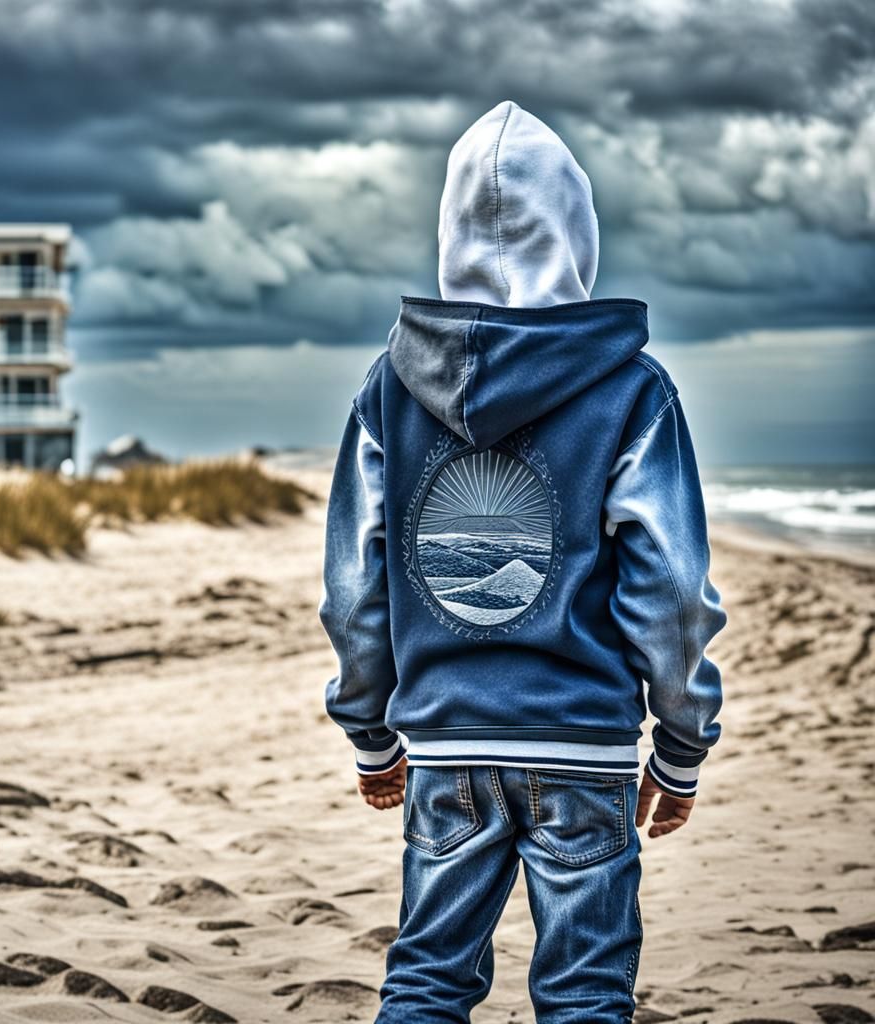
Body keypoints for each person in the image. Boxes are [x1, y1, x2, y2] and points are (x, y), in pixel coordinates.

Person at [318, 98, 727, 1024]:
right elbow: (669, 590)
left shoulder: (389, 386)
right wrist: (682, 739)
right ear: (577, 232)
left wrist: (371, 730)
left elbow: (354, 587)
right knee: (585, 996)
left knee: (424, 982)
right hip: (582, 746)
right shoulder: (631, 387)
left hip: (447, 743)